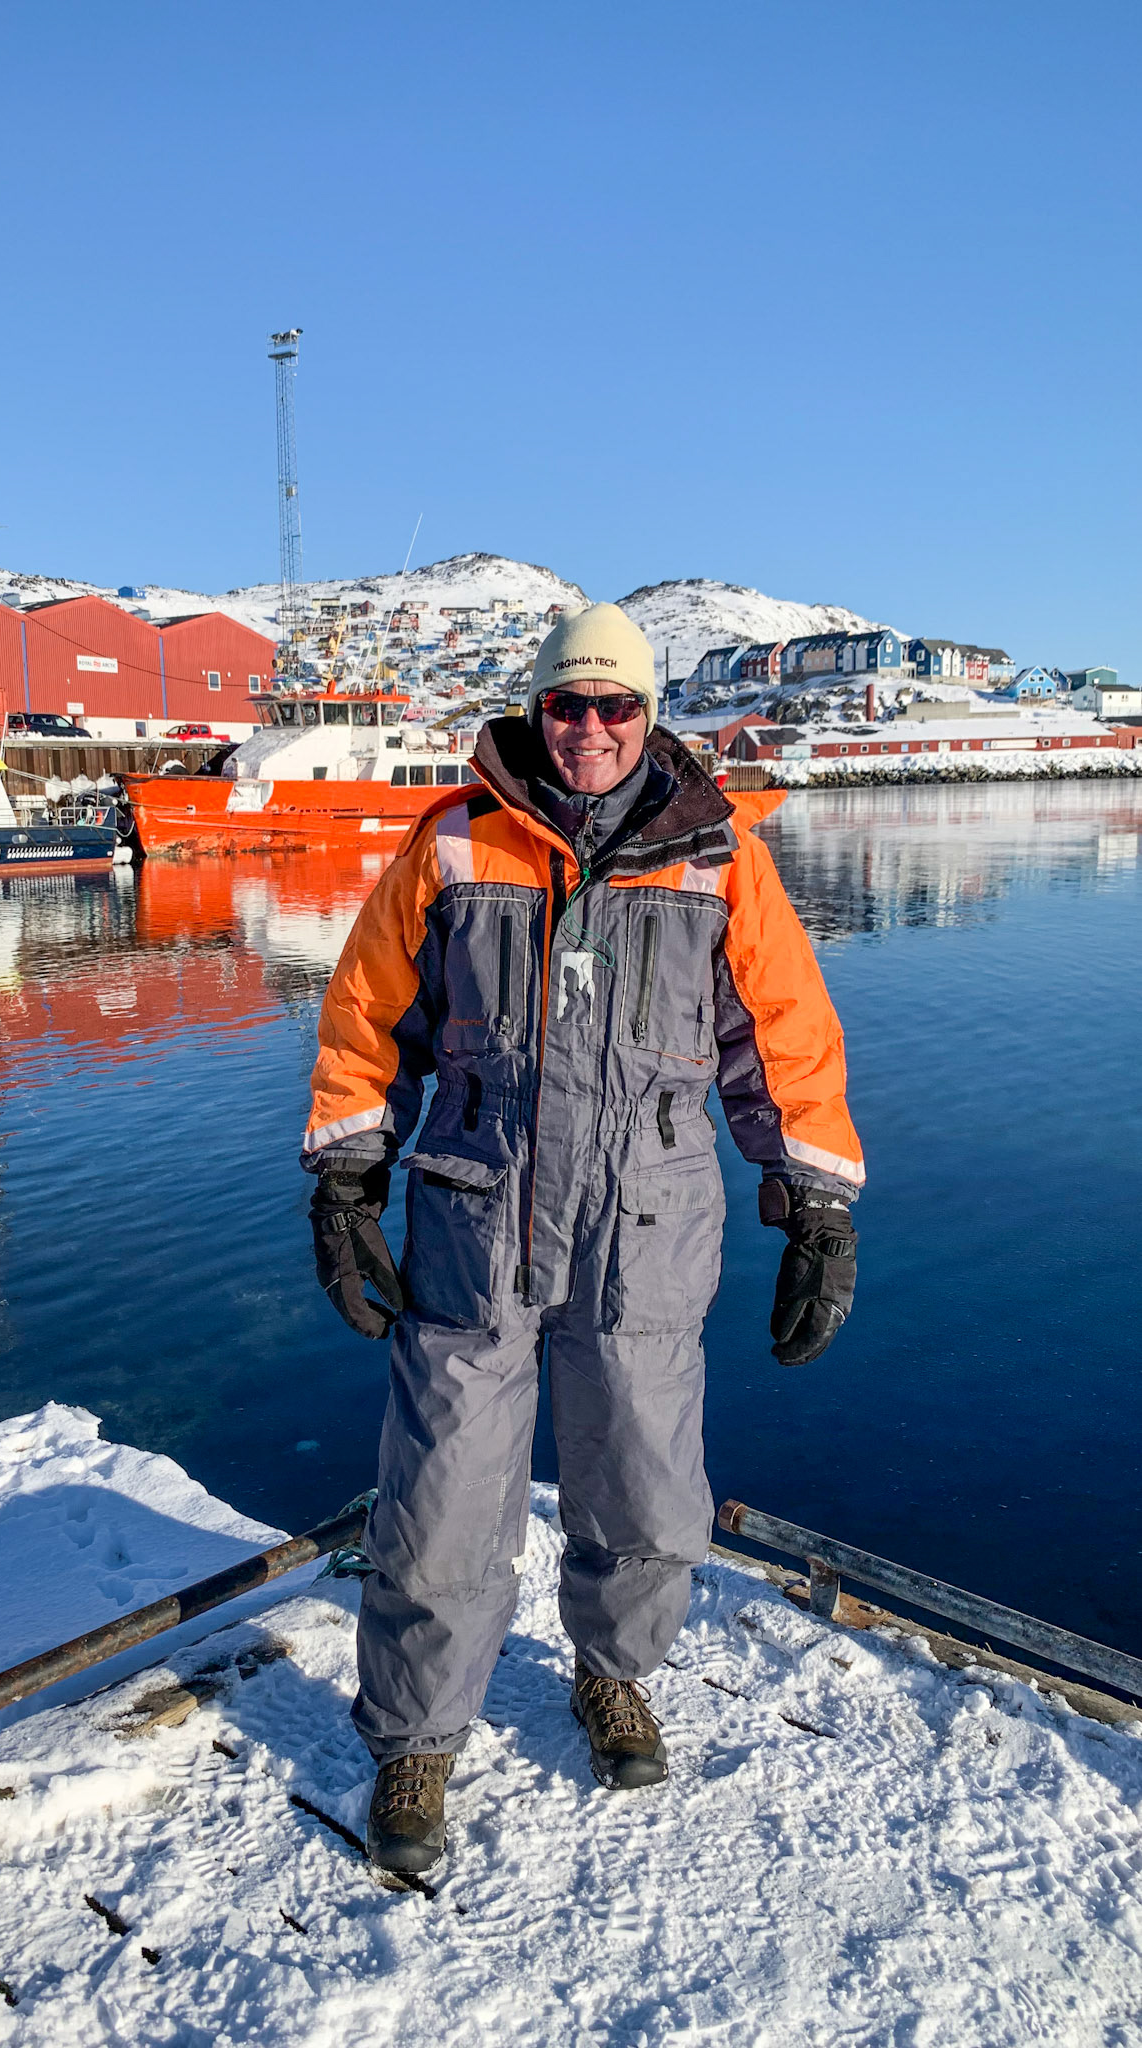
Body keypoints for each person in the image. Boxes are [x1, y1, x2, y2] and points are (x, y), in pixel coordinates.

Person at [303, 602, 863, 1874]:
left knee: (648, 1485)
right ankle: (417, 1737)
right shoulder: (453, 844)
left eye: (616, 705)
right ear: (536, 710)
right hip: (476, 1217)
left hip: (647, 1224)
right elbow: (366, 1019)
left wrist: (818, 1207)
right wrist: (345, 1184)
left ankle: (614, 1672)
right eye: (568, 704)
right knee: (440, 1497)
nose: (591, 728)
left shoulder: (718, 857)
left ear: (648, 716)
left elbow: (782, 1037)